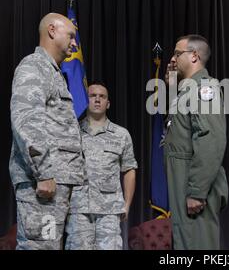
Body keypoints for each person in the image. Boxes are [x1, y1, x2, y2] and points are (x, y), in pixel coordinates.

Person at [9, 13, 85, 249]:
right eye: (71, 36)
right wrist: (44, 172)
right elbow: (27, 120)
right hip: (44, 183)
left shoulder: (54, 73)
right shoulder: (34, 66)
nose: (75, 43)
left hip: (58, 182)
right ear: (52, 31)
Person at [164, 34, 228, 249]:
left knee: (197, 245)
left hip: (195, 186)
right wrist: (173, 85)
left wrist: (197, 191)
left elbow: (211, 139)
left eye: (177, 53)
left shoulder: (204, 89)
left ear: (194, 56)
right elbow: (181, 130)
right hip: (184, 182)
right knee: (185, 244)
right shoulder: (187, 91)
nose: (172, 59)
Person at [65, 83, 137, 250]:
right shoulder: (71, 132)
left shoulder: (121, 134)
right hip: (78, 208)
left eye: (102, 96)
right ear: (85, 100)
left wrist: (126, 205)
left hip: (109, 211)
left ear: (108, 103)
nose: (97, 100)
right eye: (92, 96)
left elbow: (129, 170)